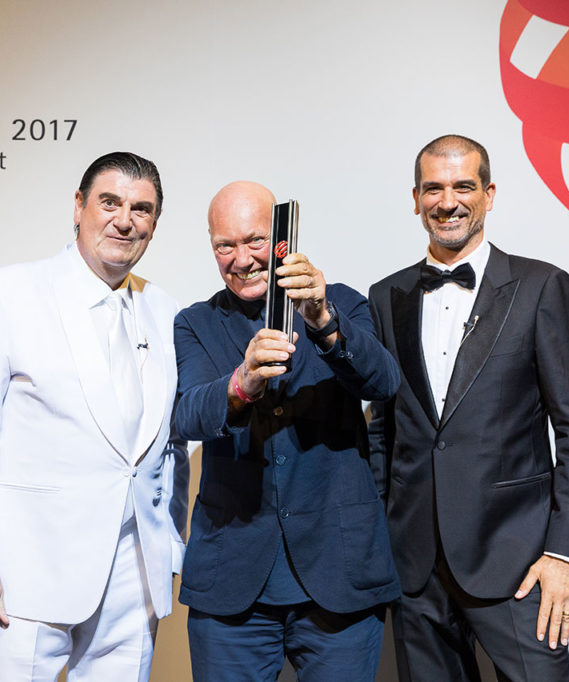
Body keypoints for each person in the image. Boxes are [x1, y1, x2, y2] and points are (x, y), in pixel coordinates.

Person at [0, 151, 188, 681]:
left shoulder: (166, 311)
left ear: (155, 225)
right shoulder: (7, 294)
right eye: (110, 202)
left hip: (133, 578)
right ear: (78, 207)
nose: (124, 220)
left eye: (141, 209)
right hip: (26, 577)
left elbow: (169, 444)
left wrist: (169, 546)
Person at [367, 134, 569, 681]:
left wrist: (566, 557)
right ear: (415, 197)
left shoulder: (543, 287)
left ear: (489, 193)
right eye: (434, 188)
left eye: (463, 186)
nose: (447, 202)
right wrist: (383, 534)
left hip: (520, 564)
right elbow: (384, 428)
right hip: (415, 566)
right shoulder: (387, 296)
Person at [173, 181, 402, 681]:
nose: (242, 259)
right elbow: (187, 415)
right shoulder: (194, 323)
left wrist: (322, 319)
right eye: (224, 246)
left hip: (338, 577)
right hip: (231, 586)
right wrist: (243, 381)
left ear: (282, 240)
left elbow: (383, 383)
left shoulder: (341, 303)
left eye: (254, 241)